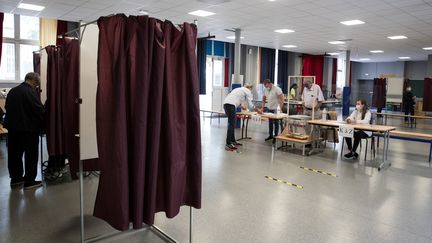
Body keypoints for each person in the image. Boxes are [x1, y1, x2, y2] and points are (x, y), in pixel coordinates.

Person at [4, 72, 45, 189]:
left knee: (14, 154)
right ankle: (29, 181)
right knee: (31, 155)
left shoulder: (13, 91)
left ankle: (16, 179)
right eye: (37, 83)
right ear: (34, 81)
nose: (37, 86)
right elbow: (38, 110)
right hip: (28, 130)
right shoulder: (30, 92)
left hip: (13, 129)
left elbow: (7, 107)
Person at [223, 83, 260, 151]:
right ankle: (228, 144)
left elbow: (234, 98)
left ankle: (232, 141)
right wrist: (258, 110)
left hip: (226, 105)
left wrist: (241, 106)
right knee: (231, 124)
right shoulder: (247, 91)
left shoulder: (238, 89)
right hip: (231, 106)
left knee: (232, 124)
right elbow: (251, 105)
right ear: (250, 88)